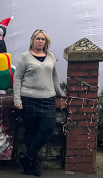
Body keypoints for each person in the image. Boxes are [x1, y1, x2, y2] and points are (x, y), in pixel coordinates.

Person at [14, 29, 64, 176]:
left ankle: (27, 158)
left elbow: (54, 77)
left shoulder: (51, 57)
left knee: (47, 129)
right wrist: (17, 99)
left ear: (46, 42)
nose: (40, 41)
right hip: (29, 98)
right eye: (38, 39)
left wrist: (60, 93)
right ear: (32, 41)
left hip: (47, 99)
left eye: (43, 39)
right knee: (30, 131)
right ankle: (33, 164)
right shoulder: (25, 57)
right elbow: (17, 78)